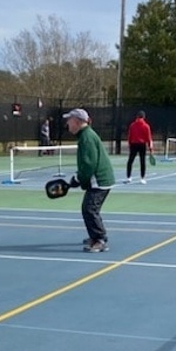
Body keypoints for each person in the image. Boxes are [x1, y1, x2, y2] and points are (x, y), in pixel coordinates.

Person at [62, 108, 115, 253]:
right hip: (99, 180)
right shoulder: (85, 136)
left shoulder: (86, 137)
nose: (67, 123)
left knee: (89, 209)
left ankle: (99, 239)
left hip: (100, 181)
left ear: (78, 122)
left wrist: (78, 179)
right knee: (90, 209)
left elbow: (89, 164)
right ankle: (96, 236)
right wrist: (78, 179)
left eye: (70, 120)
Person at [124, 110, 153, 184]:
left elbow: (130, 136)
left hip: (133, 145)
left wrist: (129, 144)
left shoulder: (132, 125)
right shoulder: (146, 126)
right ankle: (142, 178)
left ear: (137, 116)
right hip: (142, 145)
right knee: (142, 162)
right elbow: (148, 138)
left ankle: (128, 177)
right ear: (144, 117)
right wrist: (150, 148)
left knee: (130, 161)